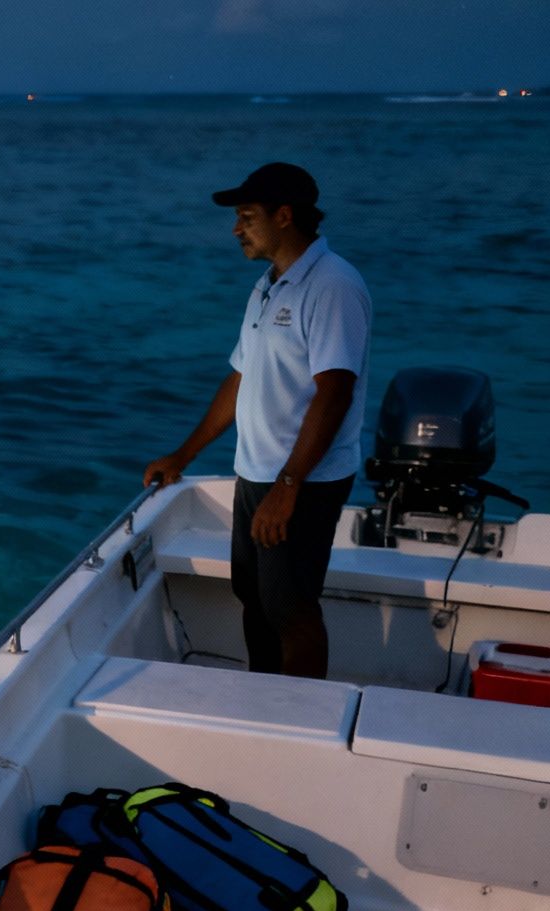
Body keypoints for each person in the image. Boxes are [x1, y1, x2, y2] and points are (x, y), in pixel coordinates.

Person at [144, 162, 370, 679]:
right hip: (258, 473)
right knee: (255, 598)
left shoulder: (332, 285)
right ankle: (265, 697)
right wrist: (183, 455)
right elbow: (240, 378)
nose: (236, 229)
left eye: (247, 217)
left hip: (302, 481)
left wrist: (289, 486)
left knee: (291, 608)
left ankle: (303, 718)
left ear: (284, 216)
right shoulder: (269, 286)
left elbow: (335, 392)